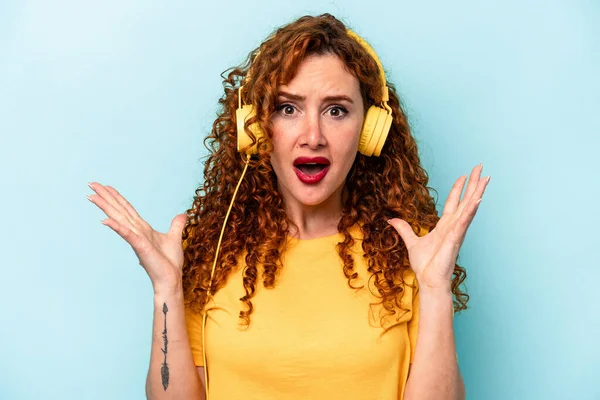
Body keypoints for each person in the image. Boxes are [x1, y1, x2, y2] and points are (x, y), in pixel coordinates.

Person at [87, 13, 489, 400]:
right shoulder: (211, 253)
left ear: (370, 132)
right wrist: (166, 289)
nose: (312, 136)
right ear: (257, 128)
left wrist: (435, 290)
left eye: (336, 110)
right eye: (287, 108)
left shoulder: (408, 255)